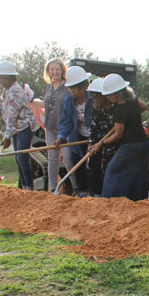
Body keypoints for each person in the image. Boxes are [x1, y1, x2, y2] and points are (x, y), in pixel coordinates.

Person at [88, 74, 149, 201]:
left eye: (110, 95)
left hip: (130, 145)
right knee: (137, 173)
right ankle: (138, 200)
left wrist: (100, 144)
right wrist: (132, 118)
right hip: (144, 142)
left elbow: (117, 134)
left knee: (112, 171)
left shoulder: (119, 109)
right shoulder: (133, 101)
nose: (108, 97)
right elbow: (144, 107)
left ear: (118, 93)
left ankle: (108, 201)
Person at [0, 60, 39, 190]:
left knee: (22, 157)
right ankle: (22, 186)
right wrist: (7, 134)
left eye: (4, 78)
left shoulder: (15, 90)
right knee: (18, 159)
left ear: (11, 77)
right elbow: (7, 116)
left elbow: (12, 115)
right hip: (16, 129)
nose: (2, 80)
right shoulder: (6, 91)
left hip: (24, 127)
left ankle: (28, 187)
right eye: (0, 78)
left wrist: (7, 136)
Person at [31, 58, 73, 193]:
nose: (55, 72)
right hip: (50, 126)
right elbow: (49, 104)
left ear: (62, 71)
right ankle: (53, 188)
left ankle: (76, 187)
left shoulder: (67, 87)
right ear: (48, 71)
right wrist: (35, 102)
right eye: (52, 69)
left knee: (68, 159)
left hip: (65, 127)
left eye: (57, 69)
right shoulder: (48, 87)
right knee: (52, 159)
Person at [54, 66, 93, 197]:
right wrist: (61, 136)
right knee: (77, 162)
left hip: (94, 135)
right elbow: (66, 121)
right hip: (78, 136)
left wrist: (96, 140)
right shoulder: (69, 101)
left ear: (83, 87)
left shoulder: (93, 99)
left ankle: (95, 191)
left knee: (94, 163)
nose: (71, 91)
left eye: (74, 88)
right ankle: (82, 191)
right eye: (69, 88)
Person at [86, 78, 117, 197]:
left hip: (113, 142)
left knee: (109, 167)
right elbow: (93, 128)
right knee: (93, 162)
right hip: (100, 140)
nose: (95, 99)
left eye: (98, 96)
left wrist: (101, 144)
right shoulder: (96, 109)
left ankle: (109, 194)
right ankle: (96, 193)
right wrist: (92, 144)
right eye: (94, 96)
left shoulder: (116, 108)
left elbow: (118, 132)